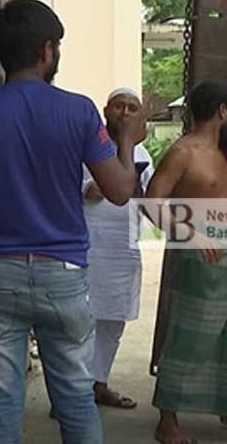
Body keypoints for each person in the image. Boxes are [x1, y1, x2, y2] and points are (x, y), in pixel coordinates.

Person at [0, 0, 145, 444]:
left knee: (0, 407)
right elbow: (121, 190)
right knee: (75, 401)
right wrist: (126, 140)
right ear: (48, 51)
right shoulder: (80, 111)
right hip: (63, 275)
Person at [148, 81, 227, 444]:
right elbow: (152, 202)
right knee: (188, 335)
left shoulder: (226, 152)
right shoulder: (183, 153)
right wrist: (193, 235)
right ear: (221, 110)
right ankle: (167, 421)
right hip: (198, 256)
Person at [81, 87, 154, 410]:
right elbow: (72, 185)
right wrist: (90, 188)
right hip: (88, 244)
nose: (125, 113)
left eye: (132, 108)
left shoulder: (142, 156)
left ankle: (99, 384)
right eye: (119, 107)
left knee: (113, 321)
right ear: (105, 111)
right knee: (81, 321)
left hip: (123, 247)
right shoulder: (86, 147)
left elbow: (151, 197)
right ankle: (73, 392)